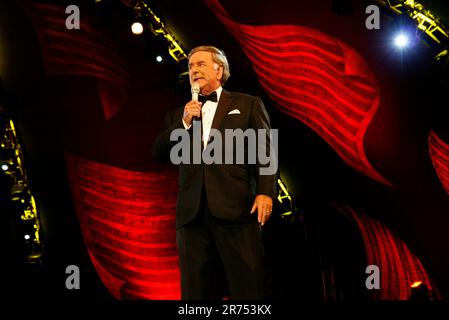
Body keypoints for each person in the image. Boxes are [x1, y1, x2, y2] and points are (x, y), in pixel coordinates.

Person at [153, 45, 277, 299]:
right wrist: (184, 123)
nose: (194, 70)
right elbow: (158, 153)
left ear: (219, 70)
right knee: (196, 294)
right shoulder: (178, 116)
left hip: (238, 209)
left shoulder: (248, 104)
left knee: (248, 289)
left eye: (200, 64)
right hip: (192, 217)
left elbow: (265, 151)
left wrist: (265, 193)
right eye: (190, 67)